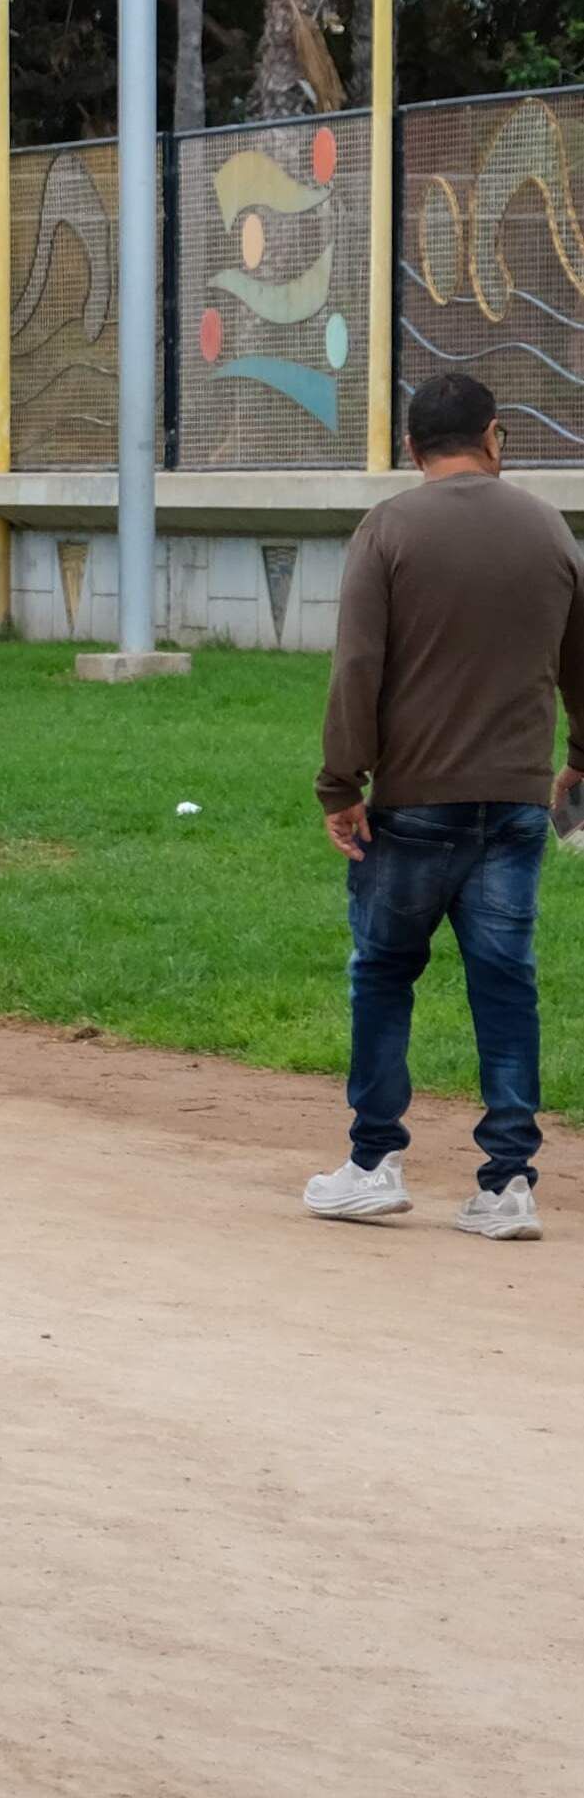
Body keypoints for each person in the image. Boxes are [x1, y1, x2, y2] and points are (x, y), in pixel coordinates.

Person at [305, 373, 584, 1241]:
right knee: (505, 983)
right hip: (512, 801)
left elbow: (357, 666)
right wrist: (579, 761)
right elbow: (580, 661)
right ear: (494, 436)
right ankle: (507, 1184)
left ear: (411, 446)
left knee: (384, 972)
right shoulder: (548, 528)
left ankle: (374, 1162)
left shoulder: (388, 529)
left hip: (414, 801)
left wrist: (340, 784)